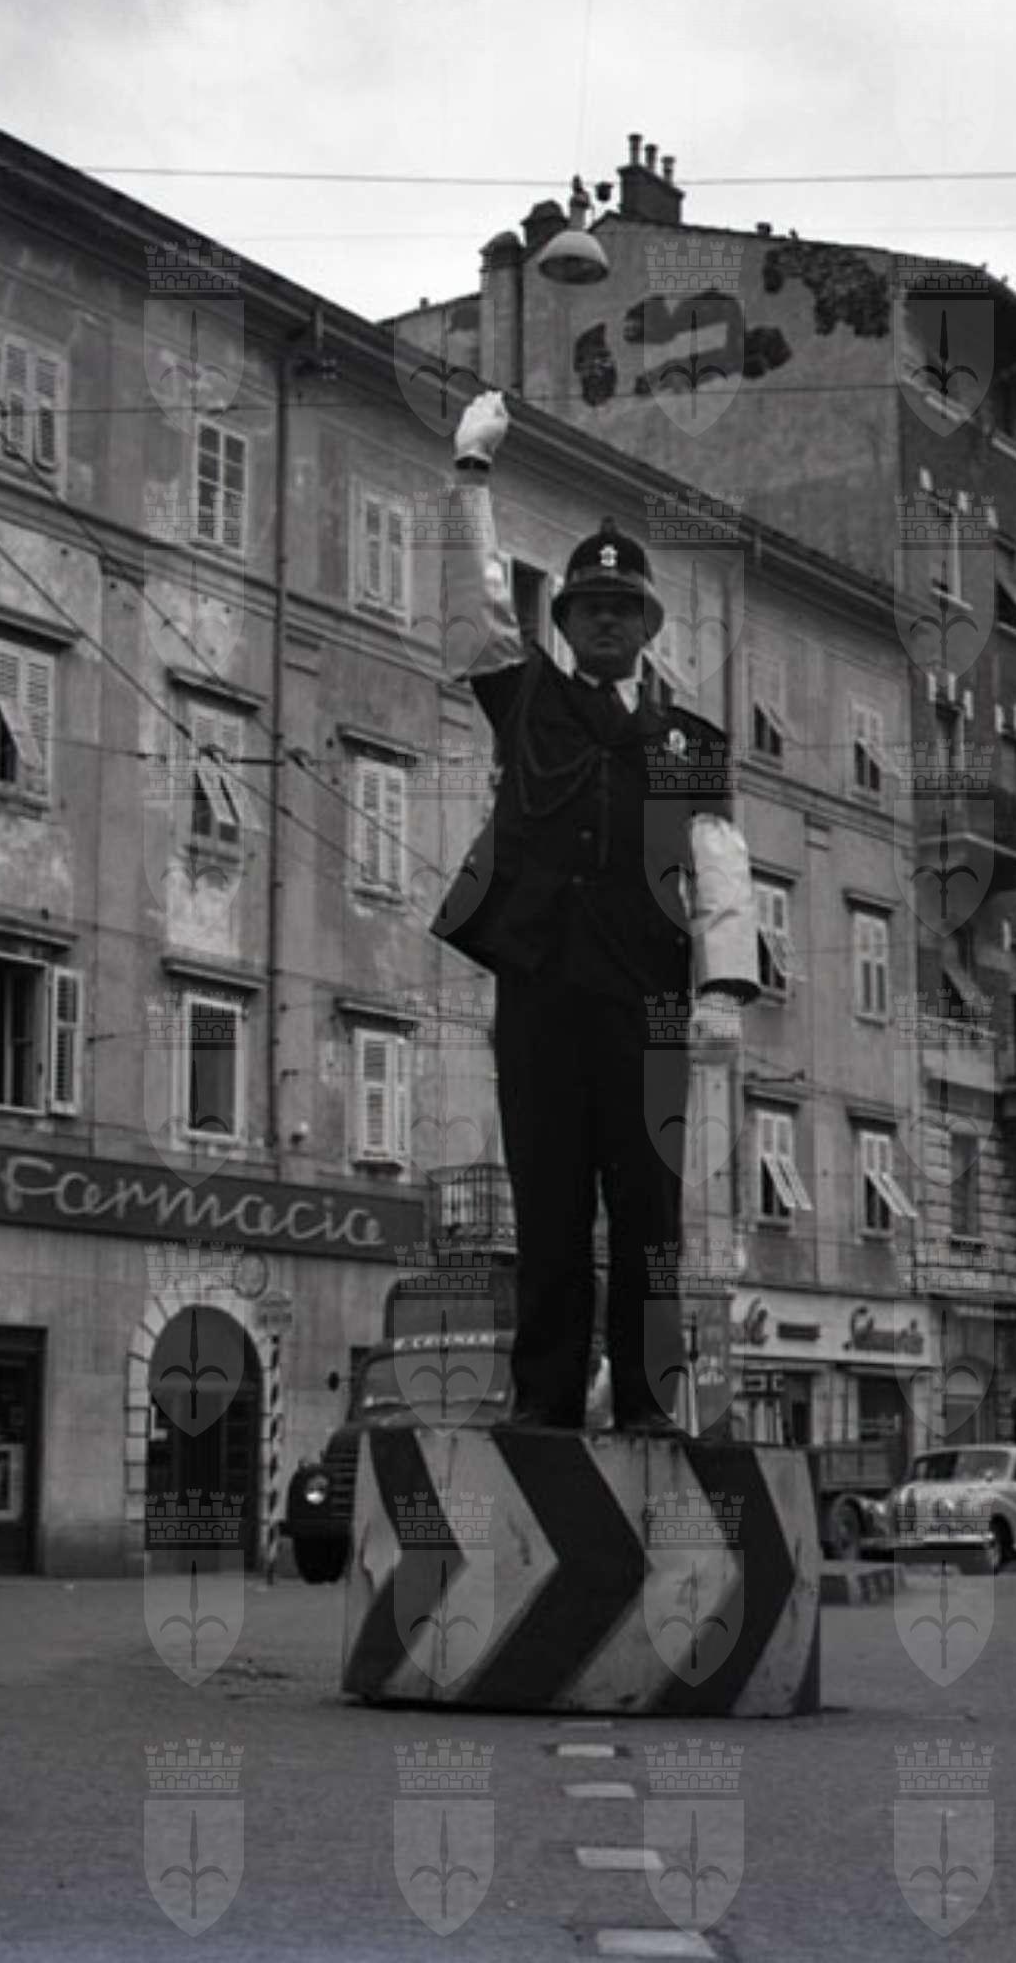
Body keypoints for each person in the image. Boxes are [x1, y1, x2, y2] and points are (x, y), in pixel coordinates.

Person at [431, 390, 759, 1434]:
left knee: (649, 1209)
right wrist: (471, 478)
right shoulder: (522, 694)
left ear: (647, 626)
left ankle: (651, 1403)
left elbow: (718, 860)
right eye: (587, 607)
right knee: (549, 1202)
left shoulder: (689, 741)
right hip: (539, 987)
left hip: (648, 999)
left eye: (624, 607)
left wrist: (720, 988)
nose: (606, 619)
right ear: (565, 622)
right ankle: (543, 1402)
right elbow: (473, 608)